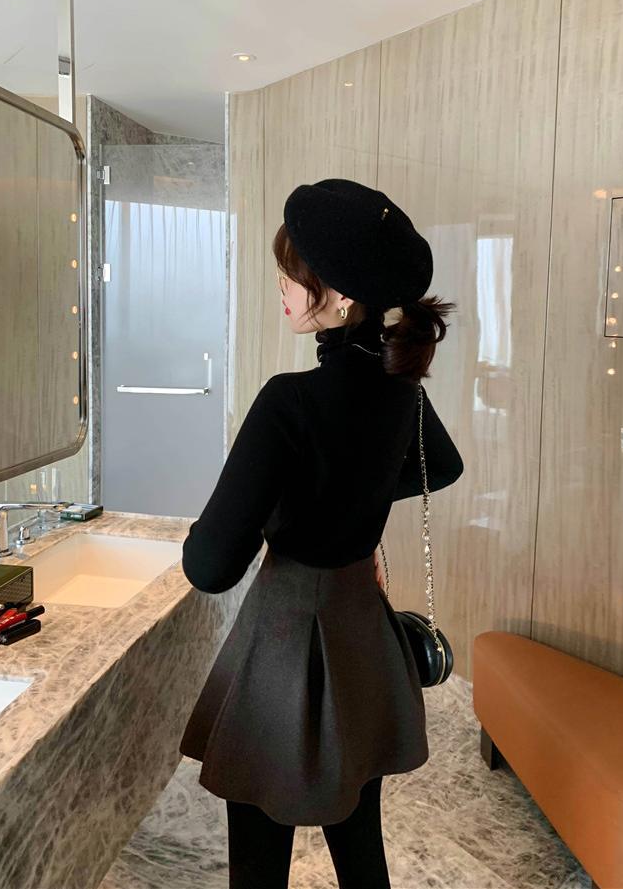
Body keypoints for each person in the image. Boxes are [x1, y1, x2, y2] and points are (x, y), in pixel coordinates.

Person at [180, 175, 463, 888]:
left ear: (339, 297)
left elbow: (210, 565)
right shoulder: (400, 389)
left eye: (293, 272)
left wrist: (283, 507)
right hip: (361, 634)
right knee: (359, 845)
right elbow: (444, 465)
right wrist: (349, 503)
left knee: (259, 860)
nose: (281, 285)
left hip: (284, 640)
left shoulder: (290, 401)